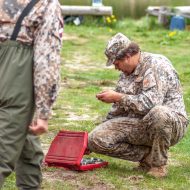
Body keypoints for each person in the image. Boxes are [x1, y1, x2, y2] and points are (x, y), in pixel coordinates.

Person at [88, 33, 189, 178]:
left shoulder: (157, 64)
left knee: (159, 113)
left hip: (171, 123)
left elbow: (151, 104)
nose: (116, 68)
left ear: (127, 57)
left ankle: (158, 165)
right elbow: (117, 111)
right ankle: (147, 157)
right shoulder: (125, 73)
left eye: (116, 64)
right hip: (142, 123)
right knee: (95, 139)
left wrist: (118, 97)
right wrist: (94, 138)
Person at [0, 0, 63, 189]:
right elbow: (46, 60)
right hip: (14, 84)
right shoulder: (46, 5)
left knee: (29, 148)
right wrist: (44, 112)